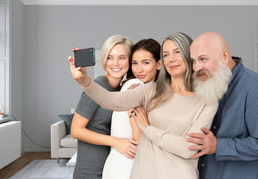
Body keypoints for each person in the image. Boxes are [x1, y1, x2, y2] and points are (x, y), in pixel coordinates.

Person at [69, 32, 223, 179]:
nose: (171, 59)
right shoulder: (149, 90)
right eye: (166, 54)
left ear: (189, 56)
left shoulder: (207, 100)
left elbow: (188, 148)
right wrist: (84, 81)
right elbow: (110, 100)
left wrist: (147, 129)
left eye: (177, 52)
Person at [187, 32, 258, 179]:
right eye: (194, 60)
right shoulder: (204, 84)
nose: (197, 67)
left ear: (224, 56)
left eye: (203, 59)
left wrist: (218, 146)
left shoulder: (255, 87)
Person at [70, 35, 138, 179]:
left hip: (109, 169)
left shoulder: (121, 90)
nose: (115, 63)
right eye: (110, 57)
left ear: (130, 60)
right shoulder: (98, 86)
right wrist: (116, 141)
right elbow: (75, 130)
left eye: (122, 57)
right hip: (89, 171)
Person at [102, 38, 161, 179]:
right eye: (134, 63)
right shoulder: (134, 86)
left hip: (122, 163)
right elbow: (138, 138)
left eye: (145, 63)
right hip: (128, 165)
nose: (139, 69)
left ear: (158, 64)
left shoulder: (146, 88)